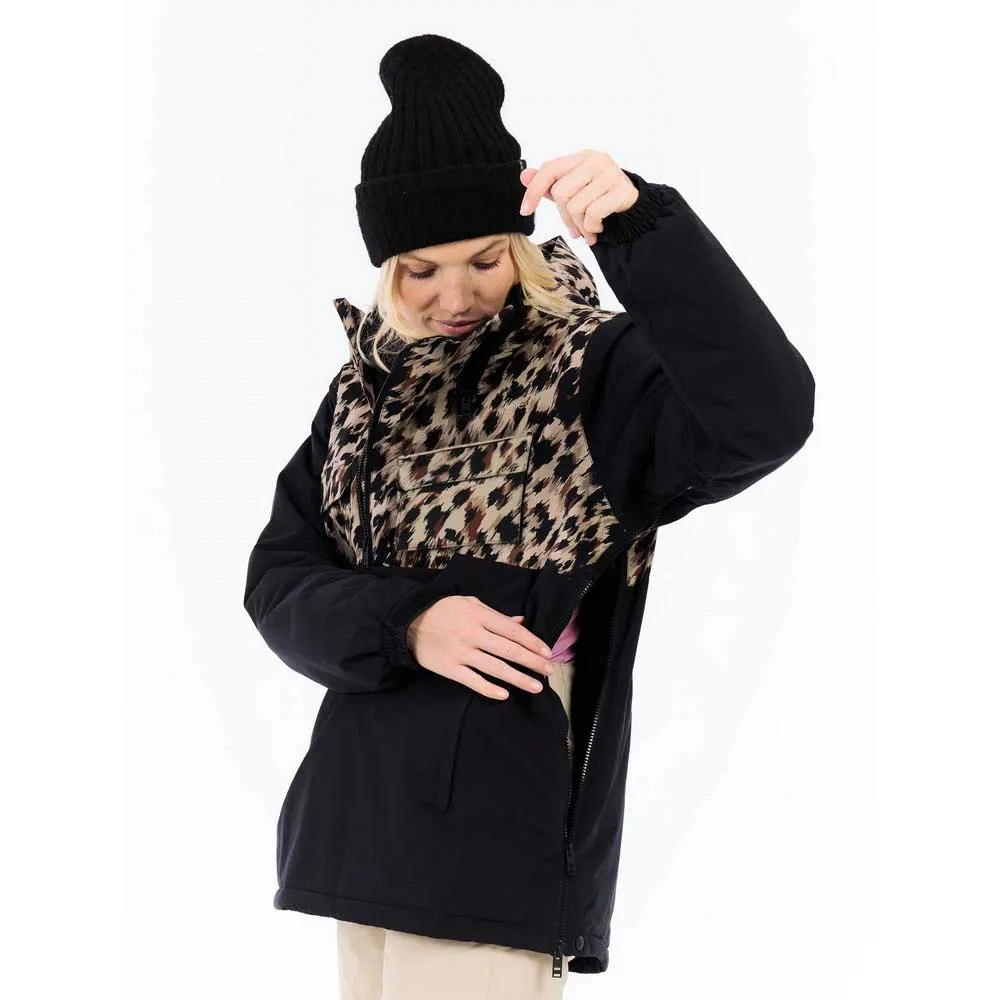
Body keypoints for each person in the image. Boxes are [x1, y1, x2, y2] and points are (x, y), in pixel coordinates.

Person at [243, 32, 815, 1000]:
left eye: (483, 259)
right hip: (353, 820)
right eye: (419, 269)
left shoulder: (590, 366)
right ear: (385, 269)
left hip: (493, 828)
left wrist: (640, 230)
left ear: (519, 245)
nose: (455, 296)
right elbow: (278, 584)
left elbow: (762, 418)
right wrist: (409, 622)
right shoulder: (361, 396)